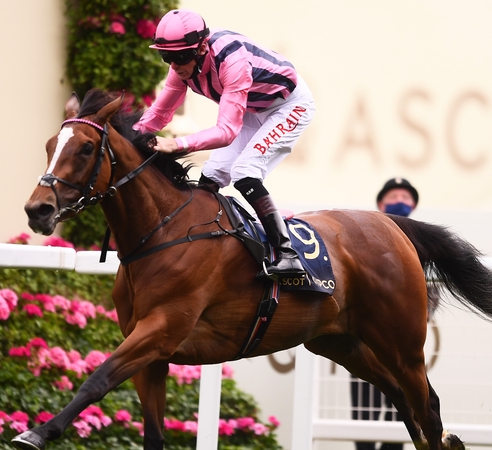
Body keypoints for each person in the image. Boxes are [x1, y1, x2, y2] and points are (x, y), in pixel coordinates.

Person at [134, 9, 315, 279]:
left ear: (202, 47)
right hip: (254, 109)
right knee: (210, 177)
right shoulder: (181, 68)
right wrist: (128, 138)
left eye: (181, 56)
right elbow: (159, 114)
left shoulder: (233, 60)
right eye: (167, 57)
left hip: (288, 106)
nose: (175, 66)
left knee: (245, 171)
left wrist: (178, 144)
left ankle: (288, 255)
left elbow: (227, 131)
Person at [349, 178, 419, 450]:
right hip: (364, 344)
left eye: (405, 196)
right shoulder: (365, 237)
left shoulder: (419, 241)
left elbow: (429, 296)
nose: (399, 200)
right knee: (363, 416)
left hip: (401, 347)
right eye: (393, 196)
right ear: (381, 203)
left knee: (400, 417)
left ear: (413, 205)